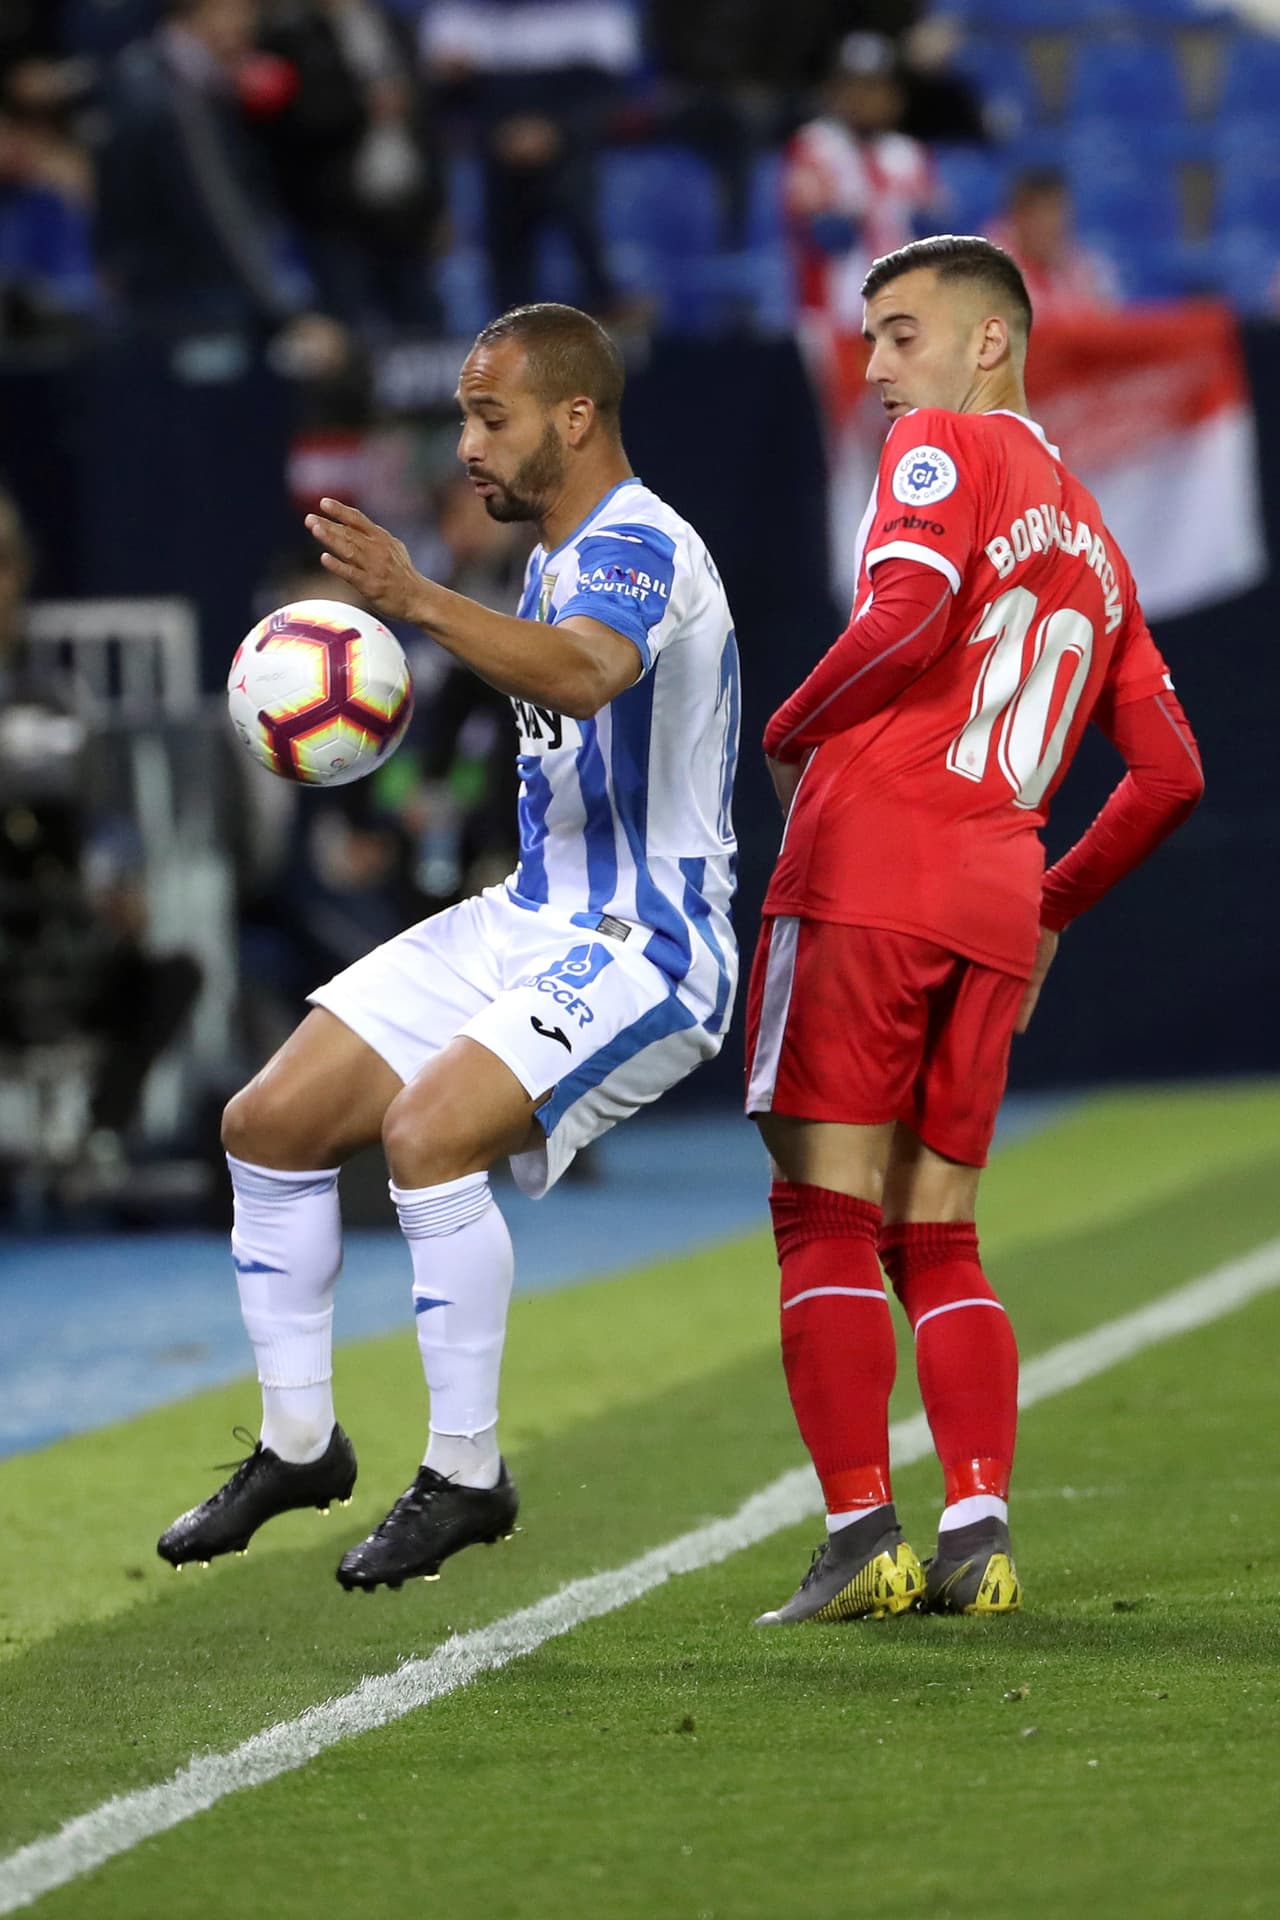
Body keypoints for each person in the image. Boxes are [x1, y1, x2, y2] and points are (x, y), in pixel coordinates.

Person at [158, 301, 740, 1591]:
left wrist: (414, 599)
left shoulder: (636, 544)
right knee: (268, 1120)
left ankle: (467, 1473)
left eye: (493, 417)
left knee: (428, 1136)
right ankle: (300, 1440)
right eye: (467, 416)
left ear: (573, 419)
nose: (469, 444)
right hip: (528, 916)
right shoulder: (545, 554)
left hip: (648, 941)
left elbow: (587, 675)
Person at [744, 235, 1203, 1625]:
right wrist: (1054, 903)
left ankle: (857, 1535)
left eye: (899, 333)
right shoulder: (1096, 536)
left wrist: (788, 728)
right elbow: (1173, 774)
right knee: (937, 1233)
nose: (879, 368)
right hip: (996, 898)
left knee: (819, 1211)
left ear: (988, 341)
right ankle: (979, 1529)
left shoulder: (948, 446)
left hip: (870, 867)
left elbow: (910, 607)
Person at [988, 167, 1118, 317]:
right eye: (1039, 214)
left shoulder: (1078, 264)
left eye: (1056, 213)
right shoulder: (991, 267)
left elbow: (1105, 320)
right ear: (1017, 217)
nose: (1050, 225)